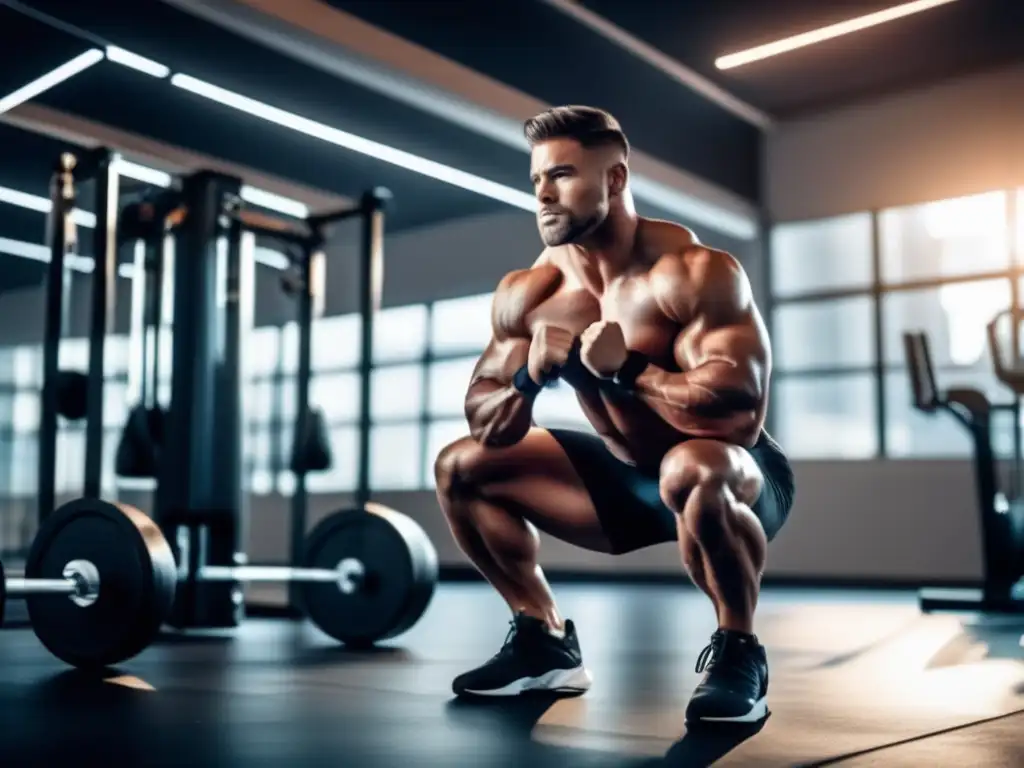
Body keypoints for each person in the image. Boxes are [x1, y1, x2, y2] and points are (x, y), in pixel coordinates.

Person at [433, 105, 794, 725]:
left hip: (733, 473)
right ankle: (543, 639)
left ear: (616, 180)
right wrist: (527, 379)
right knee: (460, 466)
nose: (544, 193)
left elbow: (737, 417)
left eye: (564, 174)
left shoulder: (693, 272)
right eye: (537, 180)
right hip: (627, 480)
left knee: (692, 468)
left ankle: (739, 650)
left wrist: (630, 370)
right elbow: (484, 419)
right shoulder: (531, 294)